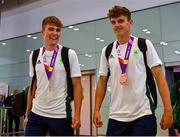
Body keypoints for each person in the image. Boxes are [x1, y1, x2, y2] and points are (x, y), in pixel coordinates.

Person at [93, 5, 173, 136]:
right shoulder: (107, 51)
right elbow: (102, 81)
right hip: (116, 117)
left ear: (130, 22)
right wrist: (96, 110)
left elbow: (159, 77)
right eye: (113, 22)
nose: (117, 25)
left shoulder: (143, 45)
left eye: (121, 21)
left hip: (143, 114)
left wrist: (168, 109)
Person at [23, 16, 83, 136]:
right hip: (36, 114)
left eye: (58, 30)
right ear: (42, 32)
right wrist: (27, 114)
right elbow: (33, 86)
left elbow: (77, 86)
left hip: (60, 115)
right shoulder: (34, 55)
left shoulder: (69, 54)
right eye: (51, 29)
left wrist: (77, 114)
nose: (55, 33)